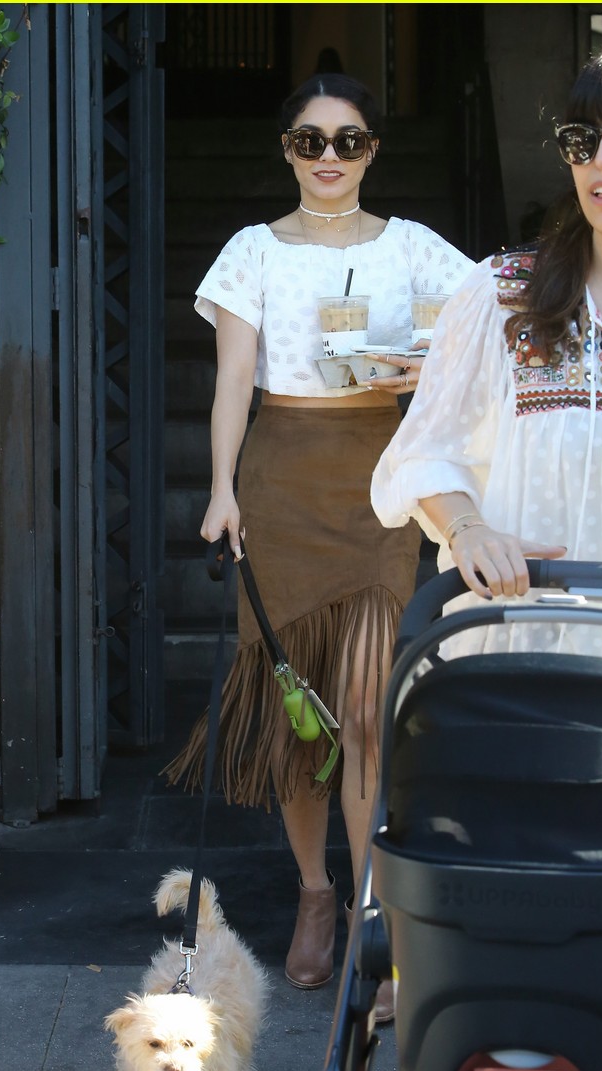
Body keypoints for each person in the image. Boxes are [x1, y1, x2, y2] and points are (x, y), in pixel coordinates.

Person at [166, 74, 474, 1009]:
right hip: (281, 480)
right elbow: (232, 382)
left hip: (380, 485)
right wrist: (221, 489)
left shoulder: (413, 247)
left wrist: (429, 363)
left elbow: (492, 319)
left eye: (347, 142)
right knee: (298, 716)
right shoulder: (251, 252)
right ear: (287, 150)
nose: (329, 158)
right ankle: (313, 894)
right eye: (310, 142)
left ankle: (372, 912)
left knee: (369, 712)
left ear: (372, 150)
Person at [371, 46, 602, 1071]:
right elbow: (420, 452)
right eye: (583, 141)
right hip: (520, 651)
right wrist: (465, 520)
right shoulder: (506, 292)